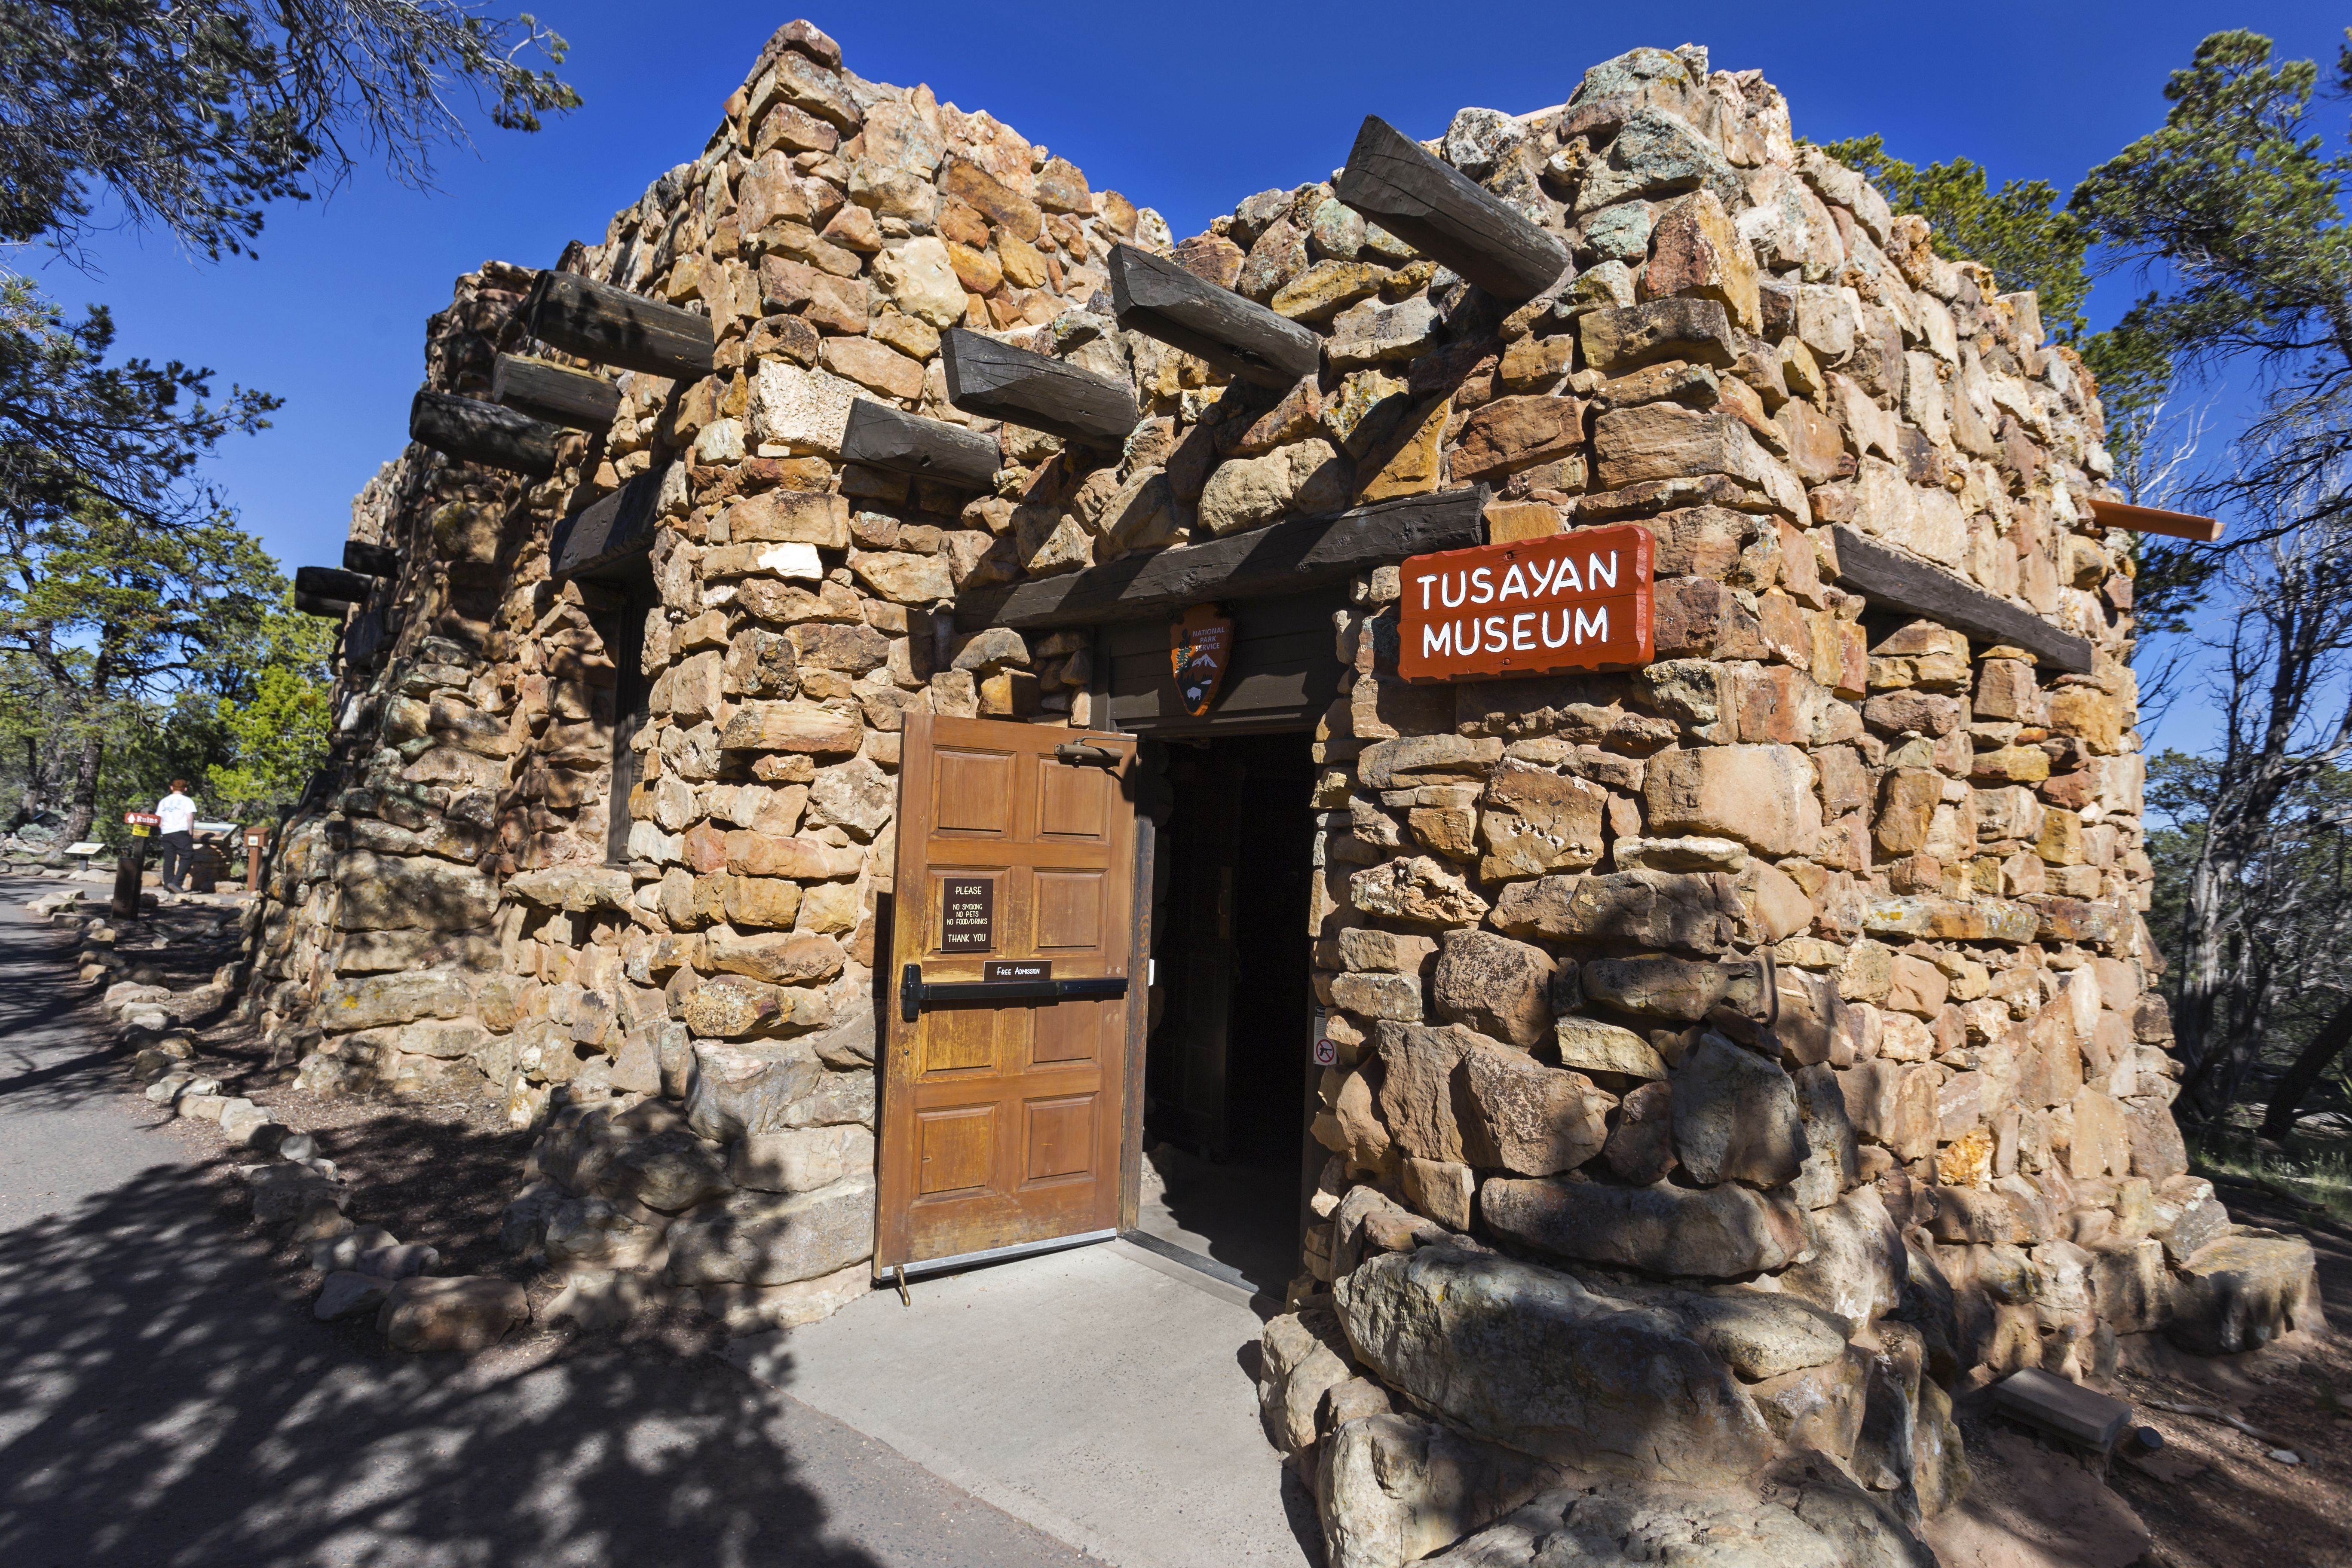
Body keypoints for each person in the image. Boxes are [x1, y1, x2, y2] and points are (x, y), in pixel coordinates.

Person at [155, 779, 197, 892]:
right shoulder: (187, 801)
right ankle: (177, 883)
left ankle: (168, 885)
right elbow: (190, 817)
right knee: (187, 856)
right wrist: (190, 832)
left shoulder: (164, 801)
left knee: (169, 859)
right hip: (181, 831)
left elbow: (160, 819)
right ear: (185, 789)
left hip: (167, 832)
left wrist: (163, 829)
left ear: (172, 788)